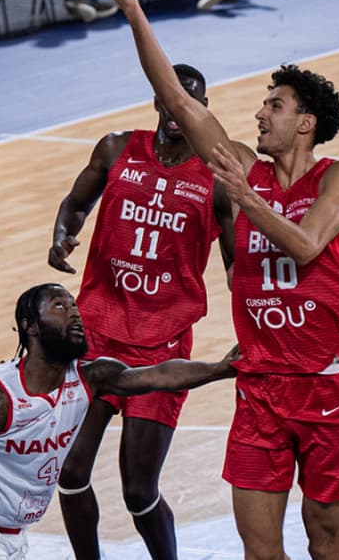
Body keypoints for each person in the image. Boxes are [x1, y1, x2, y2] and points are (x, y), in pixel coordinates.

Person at [86, 0, 339, 560]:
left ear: (305, 124)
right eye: (263, 103)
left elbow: (307, 243)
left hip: (325, 389)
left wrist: (248, 201)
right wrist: (133, 10)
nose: (260, 112)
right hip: (261, 386)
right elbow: (180, 103)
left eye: (275, 105)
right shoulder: (241, 165)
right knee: (259, 547)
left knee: (326, 541)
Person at [49, 64, 234, 560]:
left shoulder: (217, 179)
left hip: (161, 341)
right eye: (171, 98)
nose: (178, 109)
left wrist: (255, 326)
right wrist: (62, 232)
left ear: (203, 109)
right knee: (68, 471)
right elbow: (76, 202)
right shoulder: (115, 148)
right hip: (97, 331)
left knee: (137, 491)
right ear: (157, 99)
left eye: (189, 101)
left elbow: (238, 266)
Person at [0, 283, 238, 560]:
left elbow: (157, 375)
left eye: (75, 305)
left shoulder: (91, 376)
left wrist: (218, 370)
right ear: (30, 326)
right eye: (59, 306)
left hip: (15, 537)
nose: (74, 314)